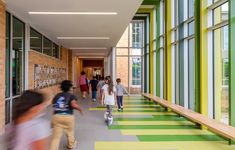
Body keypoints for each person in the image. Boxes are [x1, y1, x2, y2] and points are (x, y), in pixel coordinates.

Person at [50, 80, 83, 150]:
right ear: (70, 88)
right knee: (70, 132)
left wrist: (52, 120)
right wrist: (80, 109)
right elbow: (73, 104)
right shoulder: (71, 95)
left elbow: (55, 108)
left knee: (55, 138)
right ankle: (71, 145)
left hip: (57, 117)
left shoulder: (57, 96)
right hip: (68, 117)